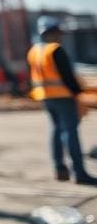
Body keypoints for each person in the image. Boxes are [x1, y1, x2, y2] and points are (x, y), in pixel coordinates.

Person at [27, 16, 97, 185]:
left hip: (45, 96)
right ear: (49, 33)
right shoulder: (55, 50)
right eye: (57, 32)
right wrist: (79, 94)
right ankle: (78, 172)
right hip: (63, 96)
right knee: (70, 132)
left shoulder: (34, 51)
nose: (60, 36)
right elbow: (67, 76)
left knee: (56, 130)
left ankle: (60, 169)